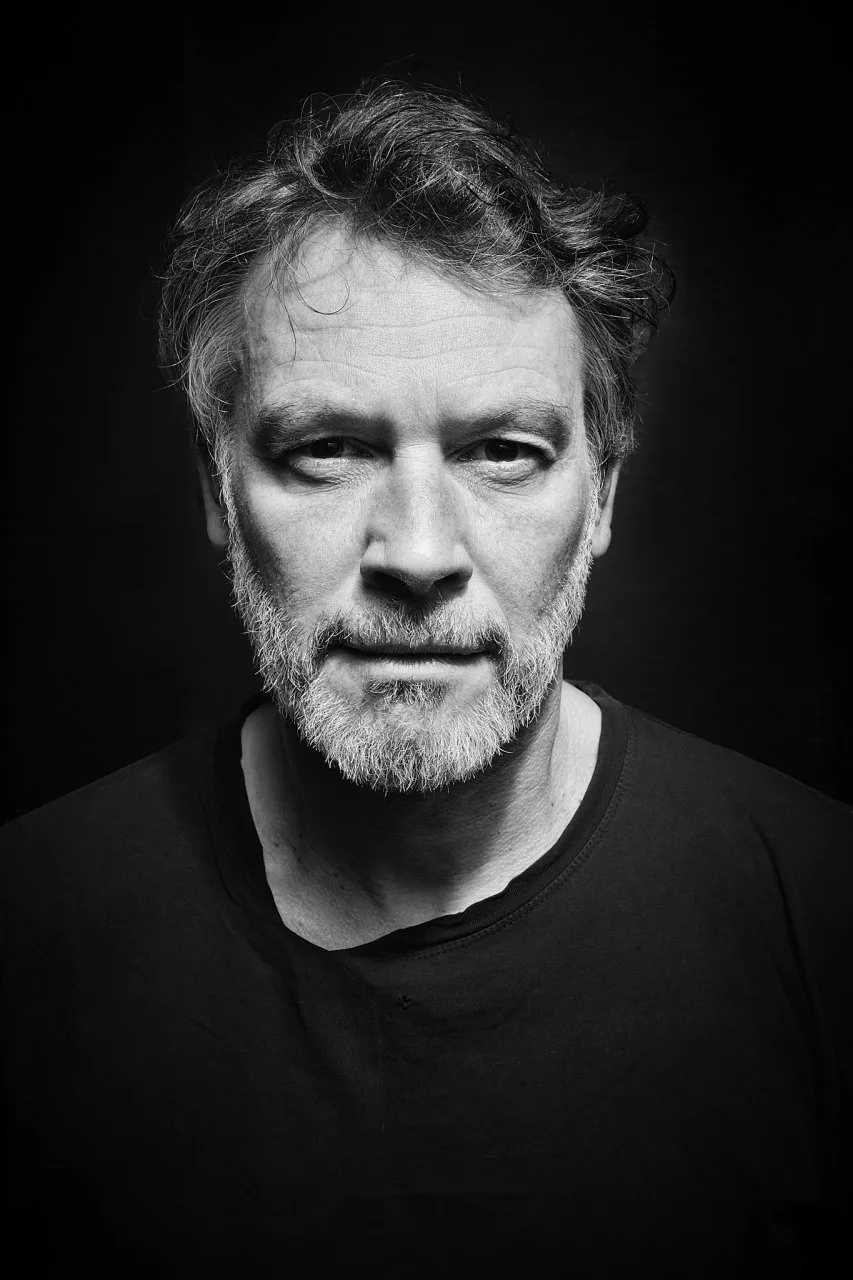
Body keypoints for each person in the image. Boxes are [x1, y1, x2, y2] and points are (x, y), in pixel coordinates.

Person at [2, 79, 850, 1277]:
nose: (416, 552)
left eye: (502, 451)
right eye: (325, 449)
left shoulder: (819, 911)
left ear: (602, 495)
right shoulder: (30, 928)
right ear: (216, 492)